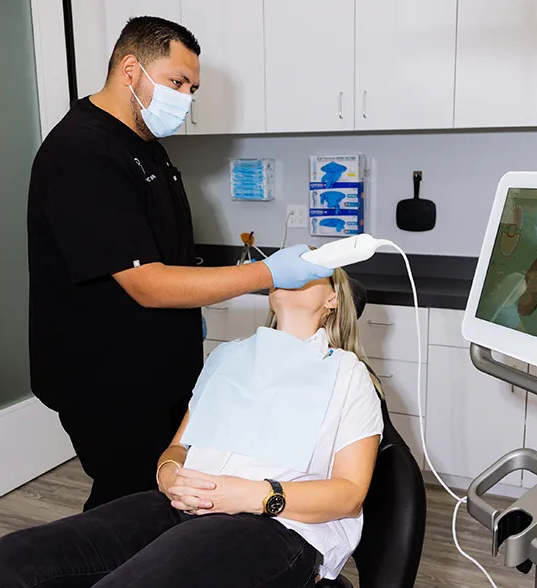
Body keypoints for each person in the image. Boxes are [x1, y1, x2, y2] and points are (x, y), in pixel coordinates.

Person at [27, 16, 330, 511]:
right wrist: (269, 273)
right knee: (129, 503)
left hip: (156, 367)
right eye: (176, 82)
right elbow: (147, 284)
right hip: (107, 380)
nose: (186, 97)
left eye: (192, 87)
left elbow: (161, 248)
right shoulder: (82, 153)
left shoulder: (144, 145)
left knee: (166, 495)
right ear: (131, 69)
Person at [0, 268, 383, 588]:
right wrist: (167, 475)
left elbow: (348, 495)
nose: (295, 271)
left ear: (333, 299)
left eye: (311, 269)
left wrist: (251, 494)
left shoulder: (349, 376)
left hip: (277, 527)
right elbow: (177, 449)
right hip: (181, 506)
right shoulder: (230, 358)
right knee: (12, 558)